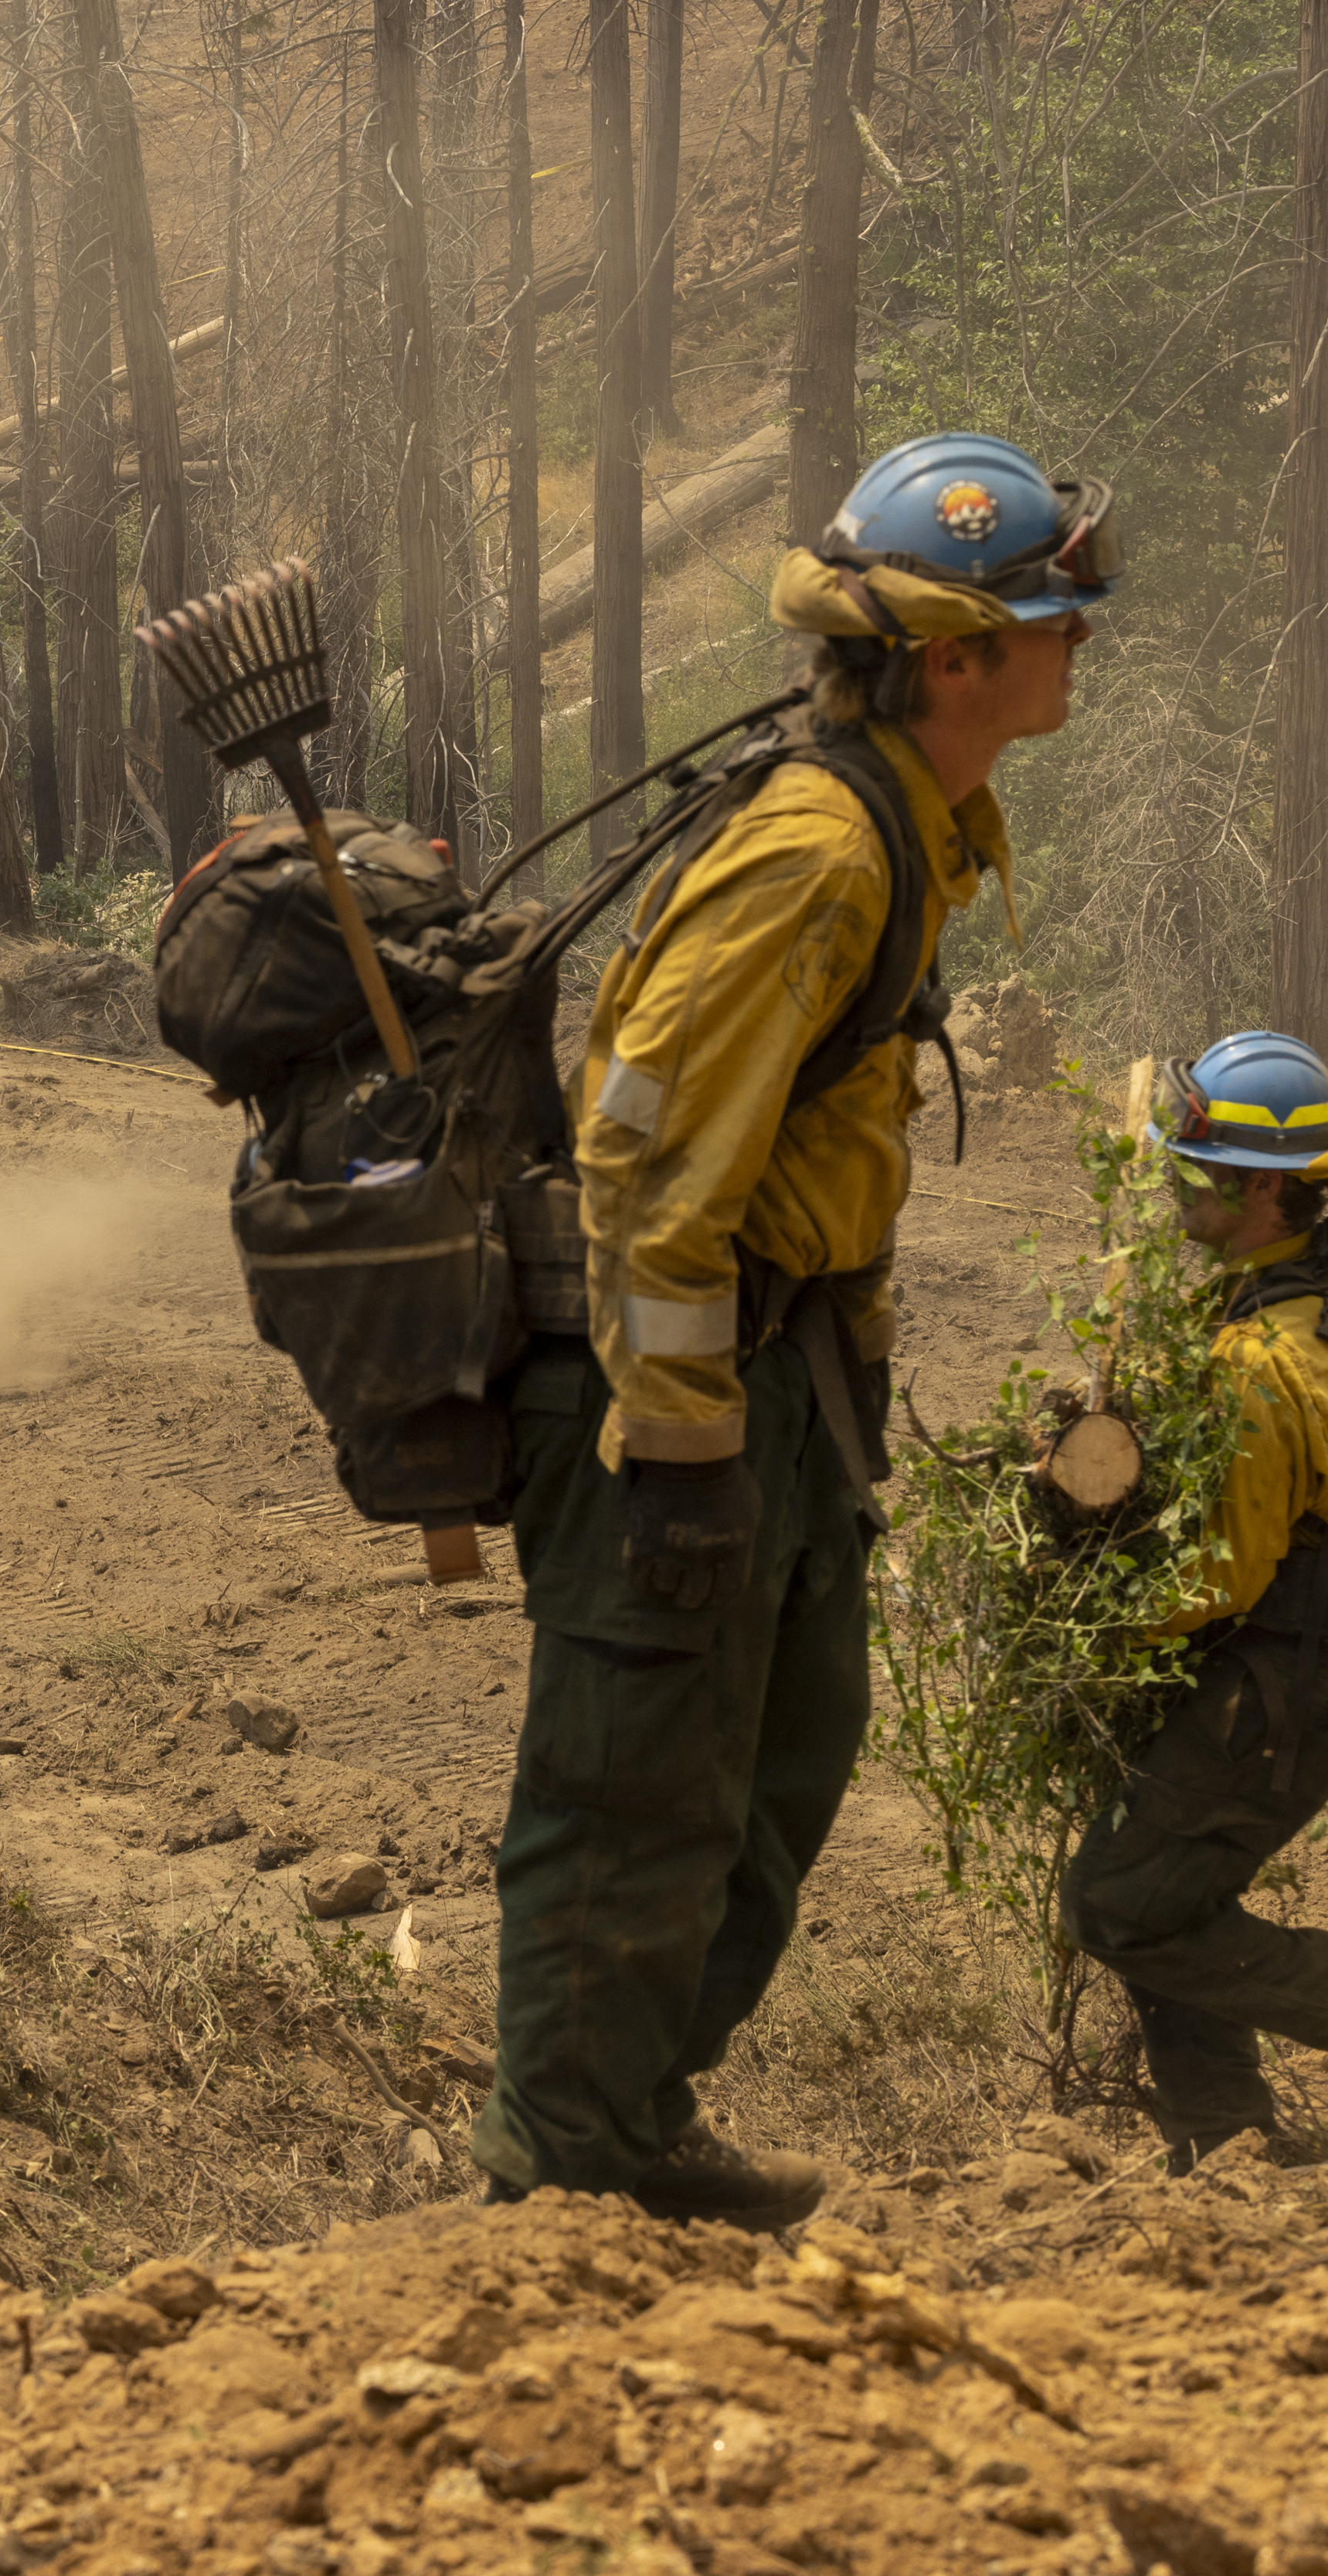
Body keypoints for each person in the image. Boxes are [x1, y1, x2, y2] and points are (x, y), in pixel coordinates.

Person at [477, 432, 1111, 2231]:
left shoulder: (910, 823)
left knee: (777, 1759)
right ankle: (558, 2198)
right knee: (635, 1791)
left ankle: (633, 2125)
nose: (1079, 648)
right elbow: (643, 1149)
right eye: (1051, 620)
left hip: (783, 1382)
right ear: (953, 655)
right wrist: (678, 1445)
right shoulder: (822, 852)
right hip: (672, 1392)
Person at [1061, 1030, 1328, 2170]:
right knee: (1171, 1884)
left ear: (1269, 1190)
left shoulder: (1268, 1363)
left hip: (1285, 1679)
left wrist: (1098, 1631)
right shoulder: (1276, 1308)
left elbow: (1223, 1573)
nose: (1176, 1184)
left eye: (1200, 1172)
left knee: (1118, 1899)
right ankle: (1221, 2139)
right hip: (1287, 1667)